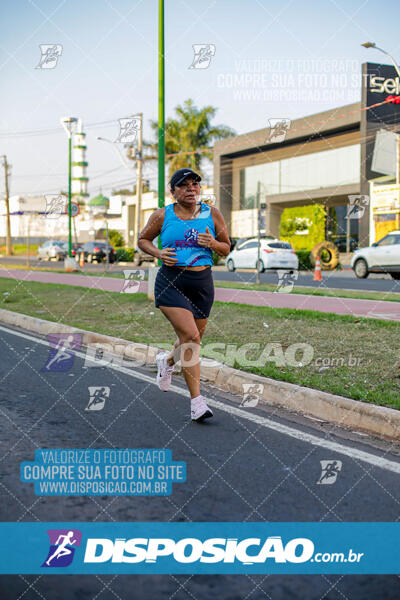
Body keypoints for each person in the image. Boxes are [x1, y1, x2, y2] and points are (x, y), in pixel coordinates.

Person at [138, 168, 231, 422]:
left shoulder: (212, 214)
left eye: (195, 184)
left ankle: (167, 362)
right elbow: (143, 239)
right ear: (173, 191)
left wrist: (212, 244)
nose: (191, 188)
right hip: (171, 282)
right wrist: (158, 253)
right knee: (191, 338)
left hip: (202, 283)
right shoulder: (162, 216)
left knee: (192, 338)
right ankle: (197, 403)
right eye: (184, 185)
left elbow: (226, 248)